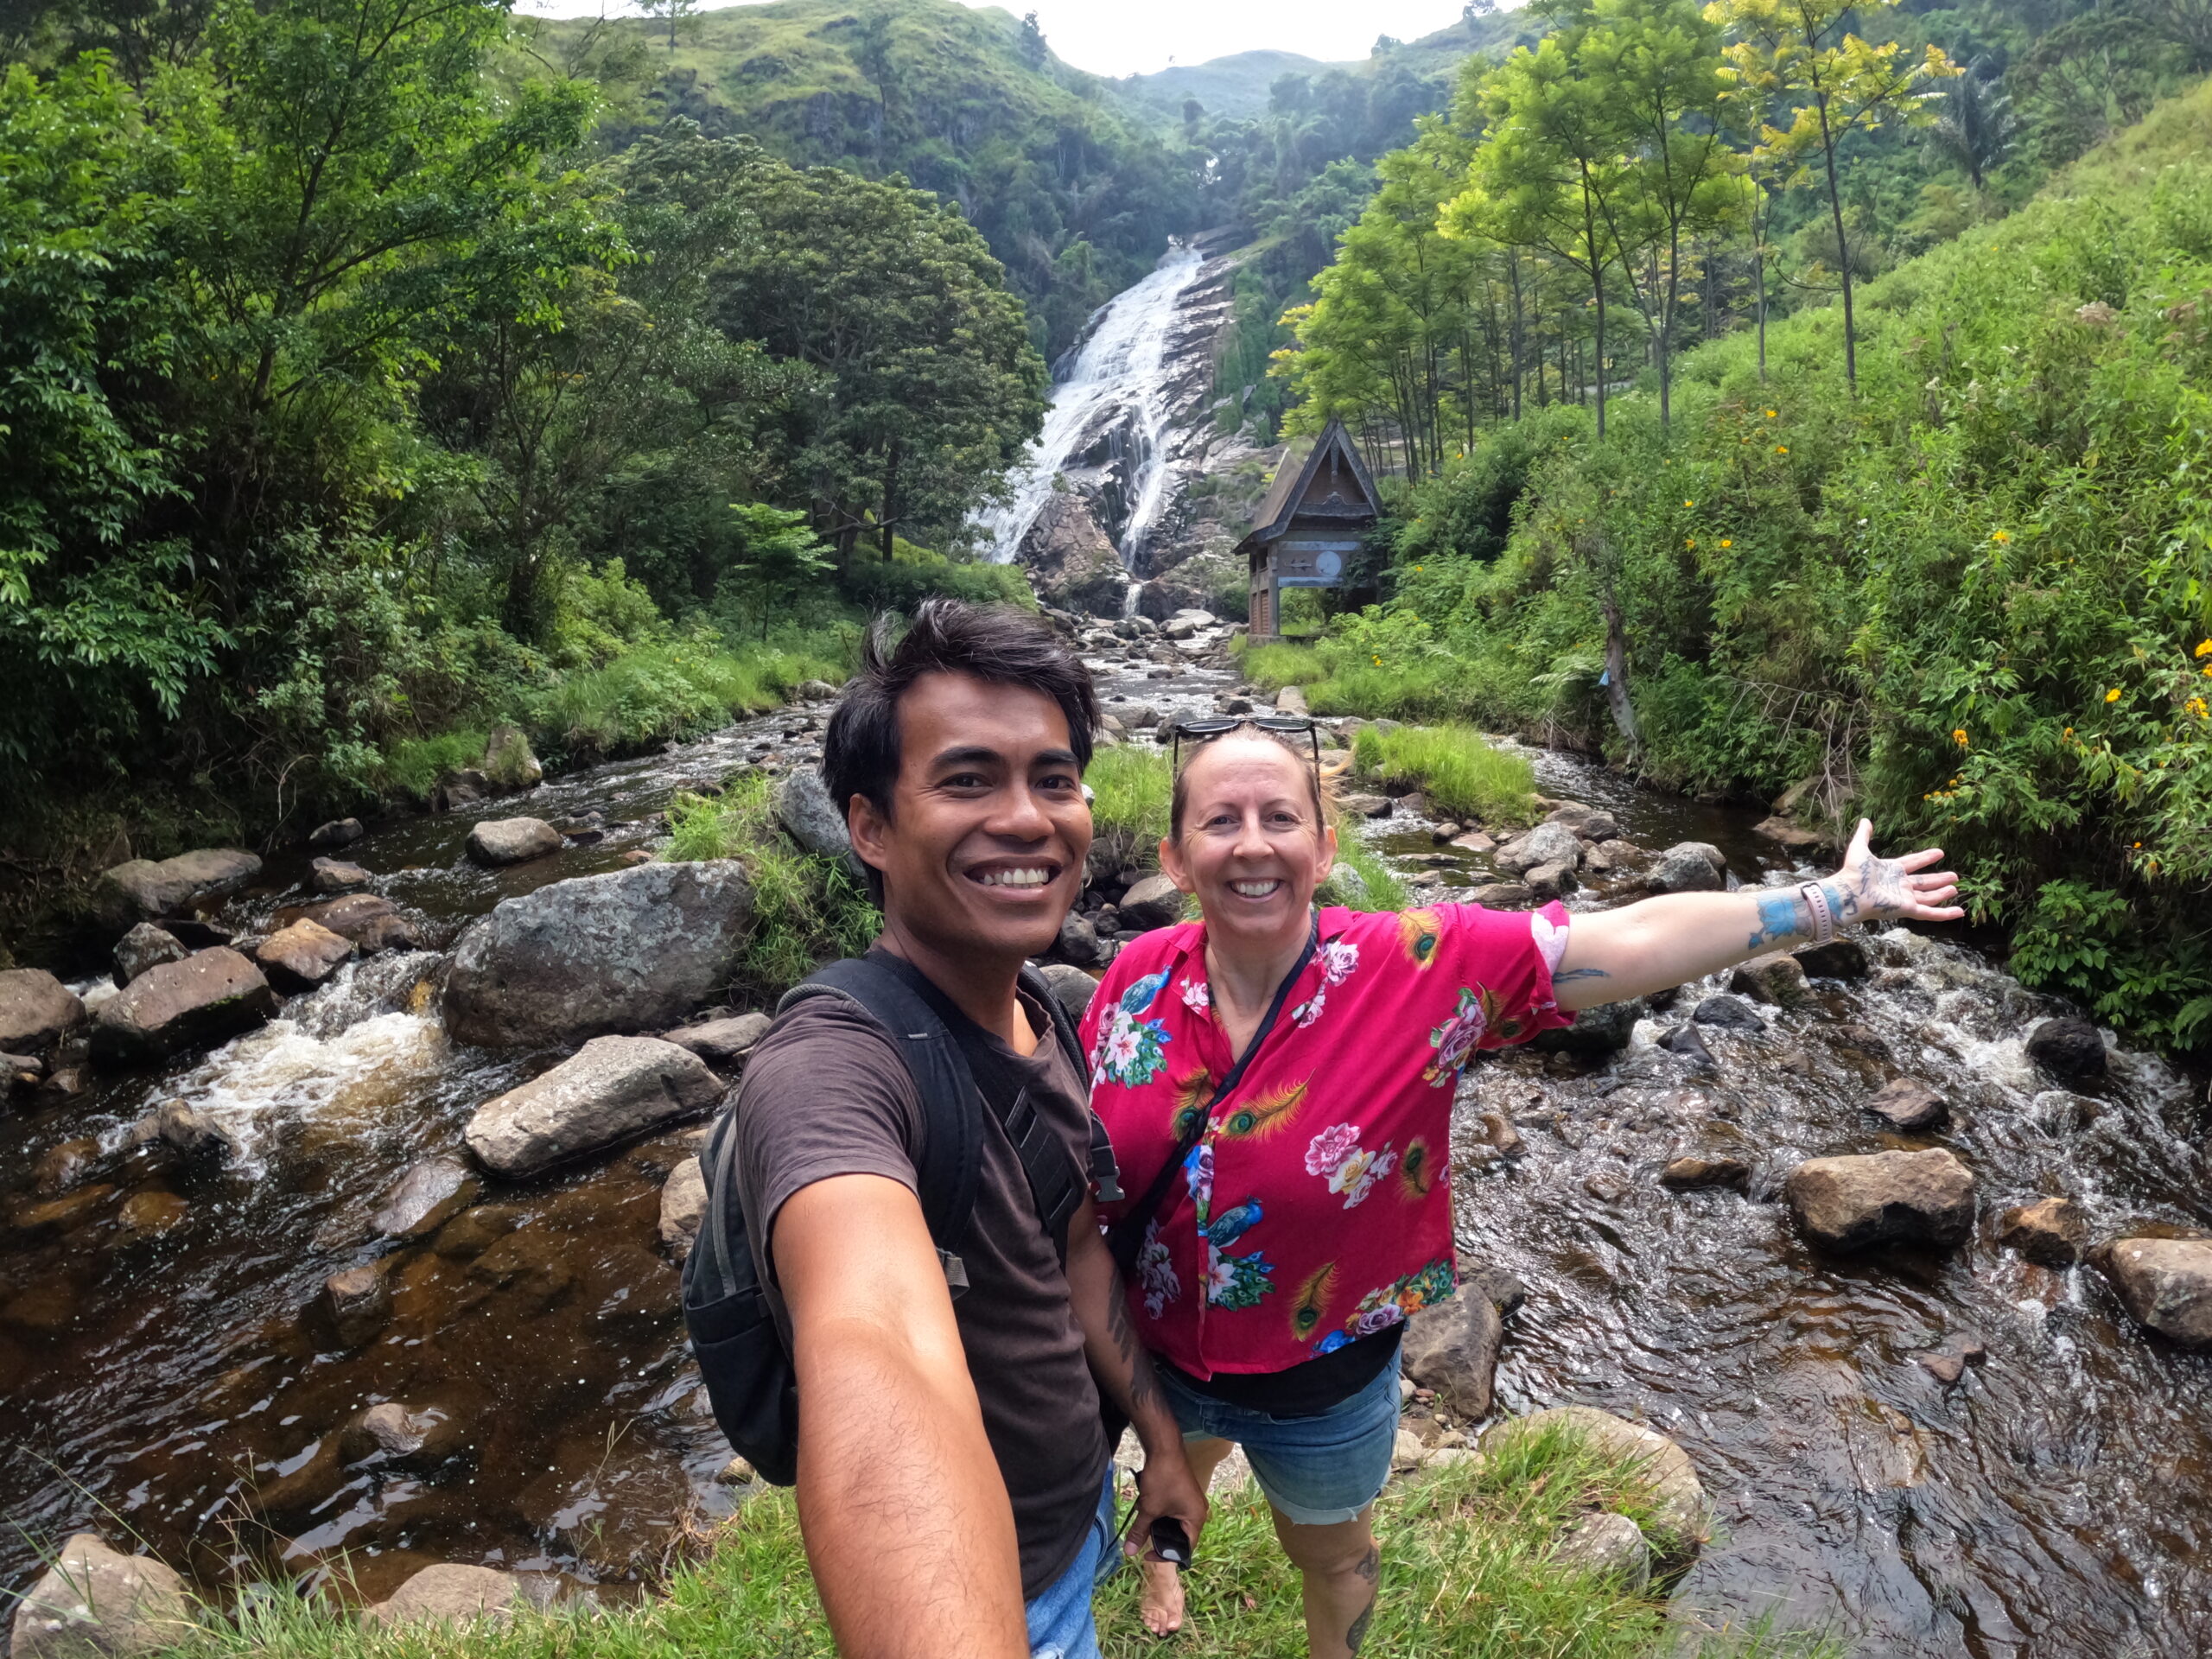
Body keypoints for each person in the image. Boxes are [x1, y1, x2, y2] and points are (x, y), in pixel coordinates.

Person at [1080, 717, 1961, 1657]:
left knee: (1332, 1556)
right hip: (1157, 1353)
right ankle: (1168, 1542)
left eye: (1279, 817)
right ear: (1175, 859)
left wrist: (1827, 904)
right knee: (1175, 1467)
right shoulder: (1132, 980)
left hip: (1322, 1381)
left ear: (1324, 846)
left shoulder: (1420, 966)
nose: (1252, 843)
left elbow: (1629, 940)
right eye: (1220, 821)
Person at [729, 601, 1207, 1659]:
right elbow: (875, 1334)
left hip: (1073, 1521)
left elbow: (1074, 1246)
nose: (1029, 819)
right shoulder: (830, 1068)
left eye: (1051, 778)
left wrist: (1159, 1447)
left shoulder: (1041, 1008)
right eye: (966, 780)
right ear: (868, 828)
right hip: (998, 1595)